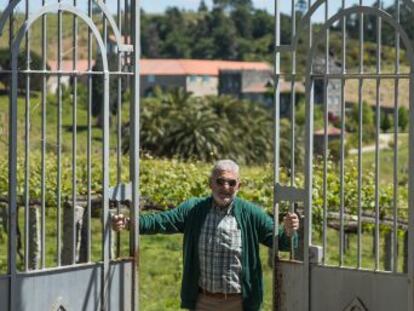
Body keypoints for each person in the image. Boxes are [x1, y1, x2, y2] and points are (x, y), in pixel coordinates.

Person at [112, 159, 299, 311]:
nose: (225, 187)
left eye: (231, 183)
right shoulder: (194, 209)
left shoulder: (251, 213)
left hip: (239, 303)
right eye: (220, 181)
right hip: (203, 301)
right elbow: (161, 221)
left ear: (238, 186)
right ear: (210, 183)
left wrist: (290, 232)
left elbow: (281, 242)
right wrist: (130, 223)